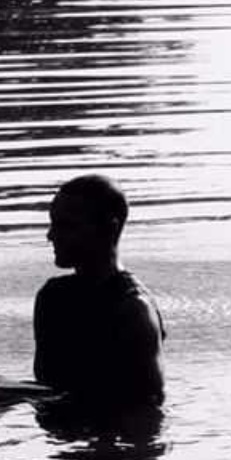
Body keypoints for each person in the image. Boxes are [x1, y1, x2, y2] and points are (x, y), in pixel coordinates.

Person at [33, 174, 165, 419]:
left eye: (66, 225)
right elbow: (46, 389)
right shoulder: (52, 298)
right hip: (62, 443)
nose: (51, 235)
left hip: (110, 447)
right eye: (53, 224)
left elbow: (150, 407)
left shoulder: (134, 310)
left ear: (109, 228)